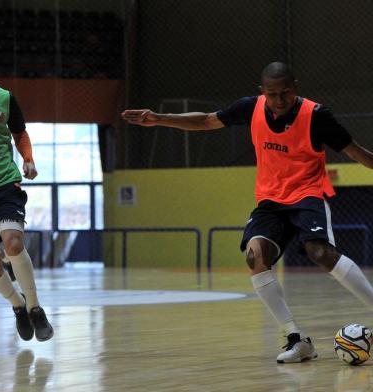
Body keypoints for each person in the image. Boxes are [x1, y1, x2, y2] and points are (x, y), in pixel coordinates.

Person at [121, 61, 373, 363]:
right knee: (255, 256)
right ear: (262, 91)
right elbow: (204, 121)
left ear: (296, 87)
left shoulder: (317, 116)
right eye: (272, 94)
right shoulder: (250, 108)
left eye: (285, 93)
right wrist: (158, 119)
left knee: (320, 253)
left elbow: (359, 154)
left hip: (307, 194)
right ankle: (297, 340)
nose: (279, 101)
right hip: (270, 201)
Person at [0, 38, 53, 341]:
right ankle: (18, 305)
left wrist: (28, 158)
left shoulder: (5, 99)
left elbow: (20, 133)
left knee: (12, 242)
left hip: (3, 184)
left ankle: (35, 307)